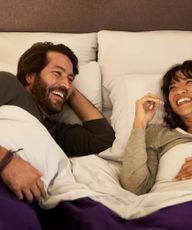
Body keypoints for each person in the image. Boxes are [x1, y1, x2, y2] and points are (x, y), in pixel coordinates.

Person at [0, 42, 115, 229]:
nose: (66, 83)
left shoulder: (53, 132)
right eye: (57, 73)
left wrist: (66, 89)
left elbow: (103, 139)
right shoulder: (8, 85)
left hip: (28, 199)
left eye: (71, 79)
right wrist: (6, 161)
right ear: (30, 76)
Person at [120, 60, 192, 195]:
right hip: (174, 206)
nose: (179, 90)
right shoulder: (159, 135)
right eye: (172, 87)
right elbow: (134, 188)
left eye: (189, 82)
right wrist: (140, 123)